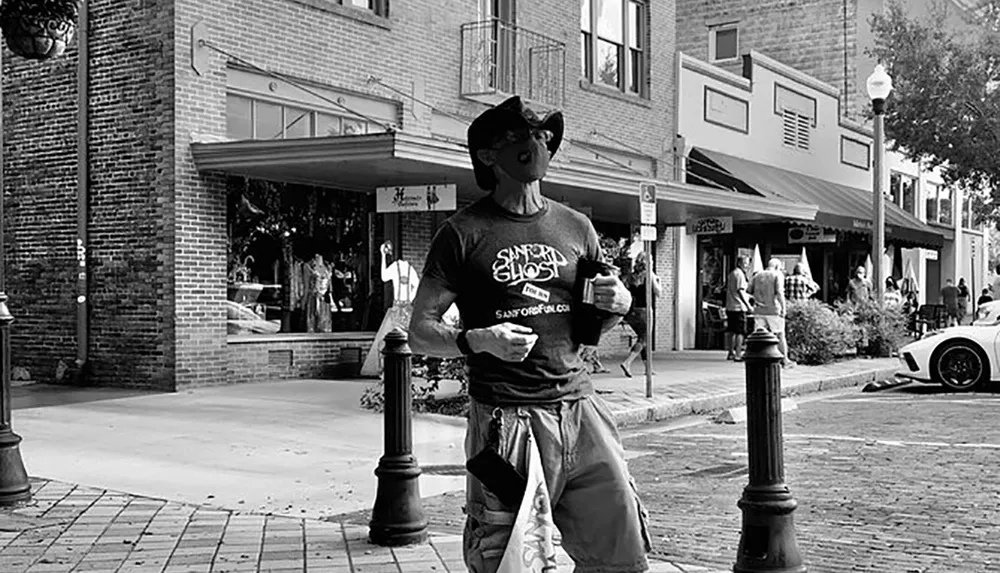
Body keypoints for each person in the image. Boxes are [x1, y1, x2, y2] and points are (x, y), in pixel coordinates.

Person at [409, 96, 651, 573]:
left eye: (542, 136)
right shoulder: (463, 233)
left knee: (621, 553)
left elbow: (589, 328)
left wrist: (619, 306)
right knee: (511, 561)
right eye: (517, 137)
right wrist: (478, 339)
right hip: (506, 420)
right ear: (487, 156)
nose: (535, 145)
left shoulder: (576, 227)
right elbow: (420, 331)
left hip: (581, 411)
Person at [620, 255, 661, 378]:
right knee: (644, 339)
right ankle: (627, 362)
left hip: (632, 312)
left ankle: (648, 368)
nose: (653, 262)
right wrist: (659, 282)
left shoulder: (632, 277)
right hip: (645, 310)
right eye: (652, 260)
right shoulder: (650, 275)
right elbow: (658, 292)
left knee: (643, 339)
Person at [749, 258, 794, 368]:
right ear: (777, 267)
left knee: (759, 335)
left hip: (759, 310)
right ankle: (785, 360)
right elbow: (779, 293)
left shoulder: (757, 276)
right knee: (780, 334)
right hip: (773, 310)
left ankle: (757, 358)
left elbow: (748, 290)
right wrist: (783, 308)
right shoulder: (777, 275)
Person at [724, 256, 753, 361]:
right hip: (739, 307)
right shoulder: (740, 275)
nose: (747, 266)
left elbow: (733, 290)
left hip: (730, 305)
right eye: (745, 263)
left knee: (731, 331)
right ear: (740, 263)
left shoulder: (732, 273)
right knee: (740, 332)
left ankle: (730, 352)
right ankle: (738, 354)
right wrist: (748, 305)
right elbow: (740, 291)